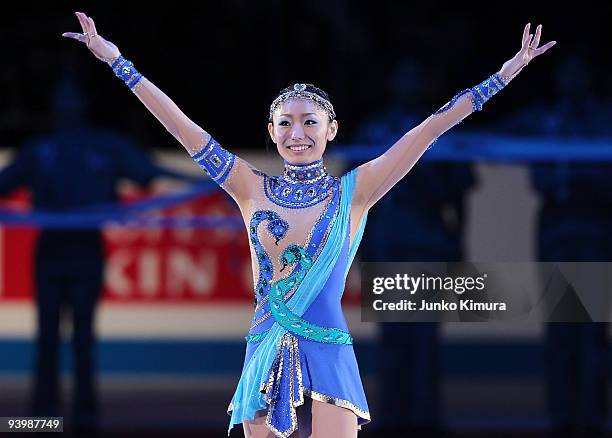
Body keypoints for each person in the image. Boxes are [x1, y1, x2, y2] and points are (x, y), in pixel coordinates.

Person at [63, 13, 556, 437]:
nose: (296, 133)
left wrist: (505, 74)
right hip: (264, 343)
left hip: (328, 348)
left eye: (309, 122)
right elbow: (179, 124)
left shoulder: (355, 192)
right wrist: (114, 60)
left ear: (332, 130)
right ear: (270, 132)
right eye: (285, 122)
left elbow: (431, 127)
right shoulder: (249, 187)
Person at [0, 72, 195, 435]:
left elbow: (150, 172)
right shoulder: (40, 150)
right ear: (54, 105)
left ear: (83, 103)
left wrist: (215, 181)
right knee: (46, 337)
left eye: (72, 96)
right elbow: (5, 183)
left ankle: (85, 420)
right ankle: (41, 420)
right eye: (60, 97)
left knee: (84, 338)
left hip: (87, 252)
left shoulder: (105, 147)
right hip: (51, 253)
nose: (66, 105)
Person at [350, 58, 476, 435]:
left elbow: (460, 193)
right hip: (387, 245)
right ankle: (392, 416)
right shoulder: (374, 130)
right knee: (393, 339)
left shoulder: (441, 127)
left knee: (424, 340)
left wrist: (457, 241)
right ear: (393, 81)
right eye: (403, 74)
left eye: (415, 76)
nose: (409, 83)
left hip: (427, 247)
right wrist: (357, 245)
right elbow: (352, 196)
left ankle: (425, 418)